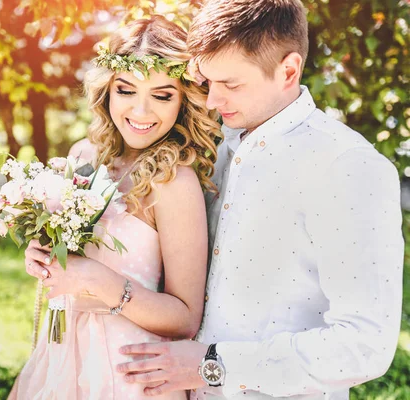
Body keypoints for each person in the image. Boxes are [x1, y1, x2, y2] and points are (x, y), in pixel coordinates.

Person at [117, 1, 404, 399]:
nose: (213, 101)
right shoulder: (210, 148)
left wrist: (211, 365)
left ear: (289, 70)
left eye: (231, 85)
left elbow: (364, 345)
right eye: (207, 82)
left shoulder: (348, 168)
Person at [9, 15, 223, 399]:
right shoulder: (83, 156)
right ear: (107, 91)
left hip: (128, 368)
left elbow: (186, 318)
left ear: (183, 100)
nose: (141, 113)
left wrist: (95, 279)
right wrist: (42, 254)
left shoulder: (173, 181)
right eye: (126, 91)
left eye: (161, 95)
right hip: (61, 350)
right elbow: (68, 256)